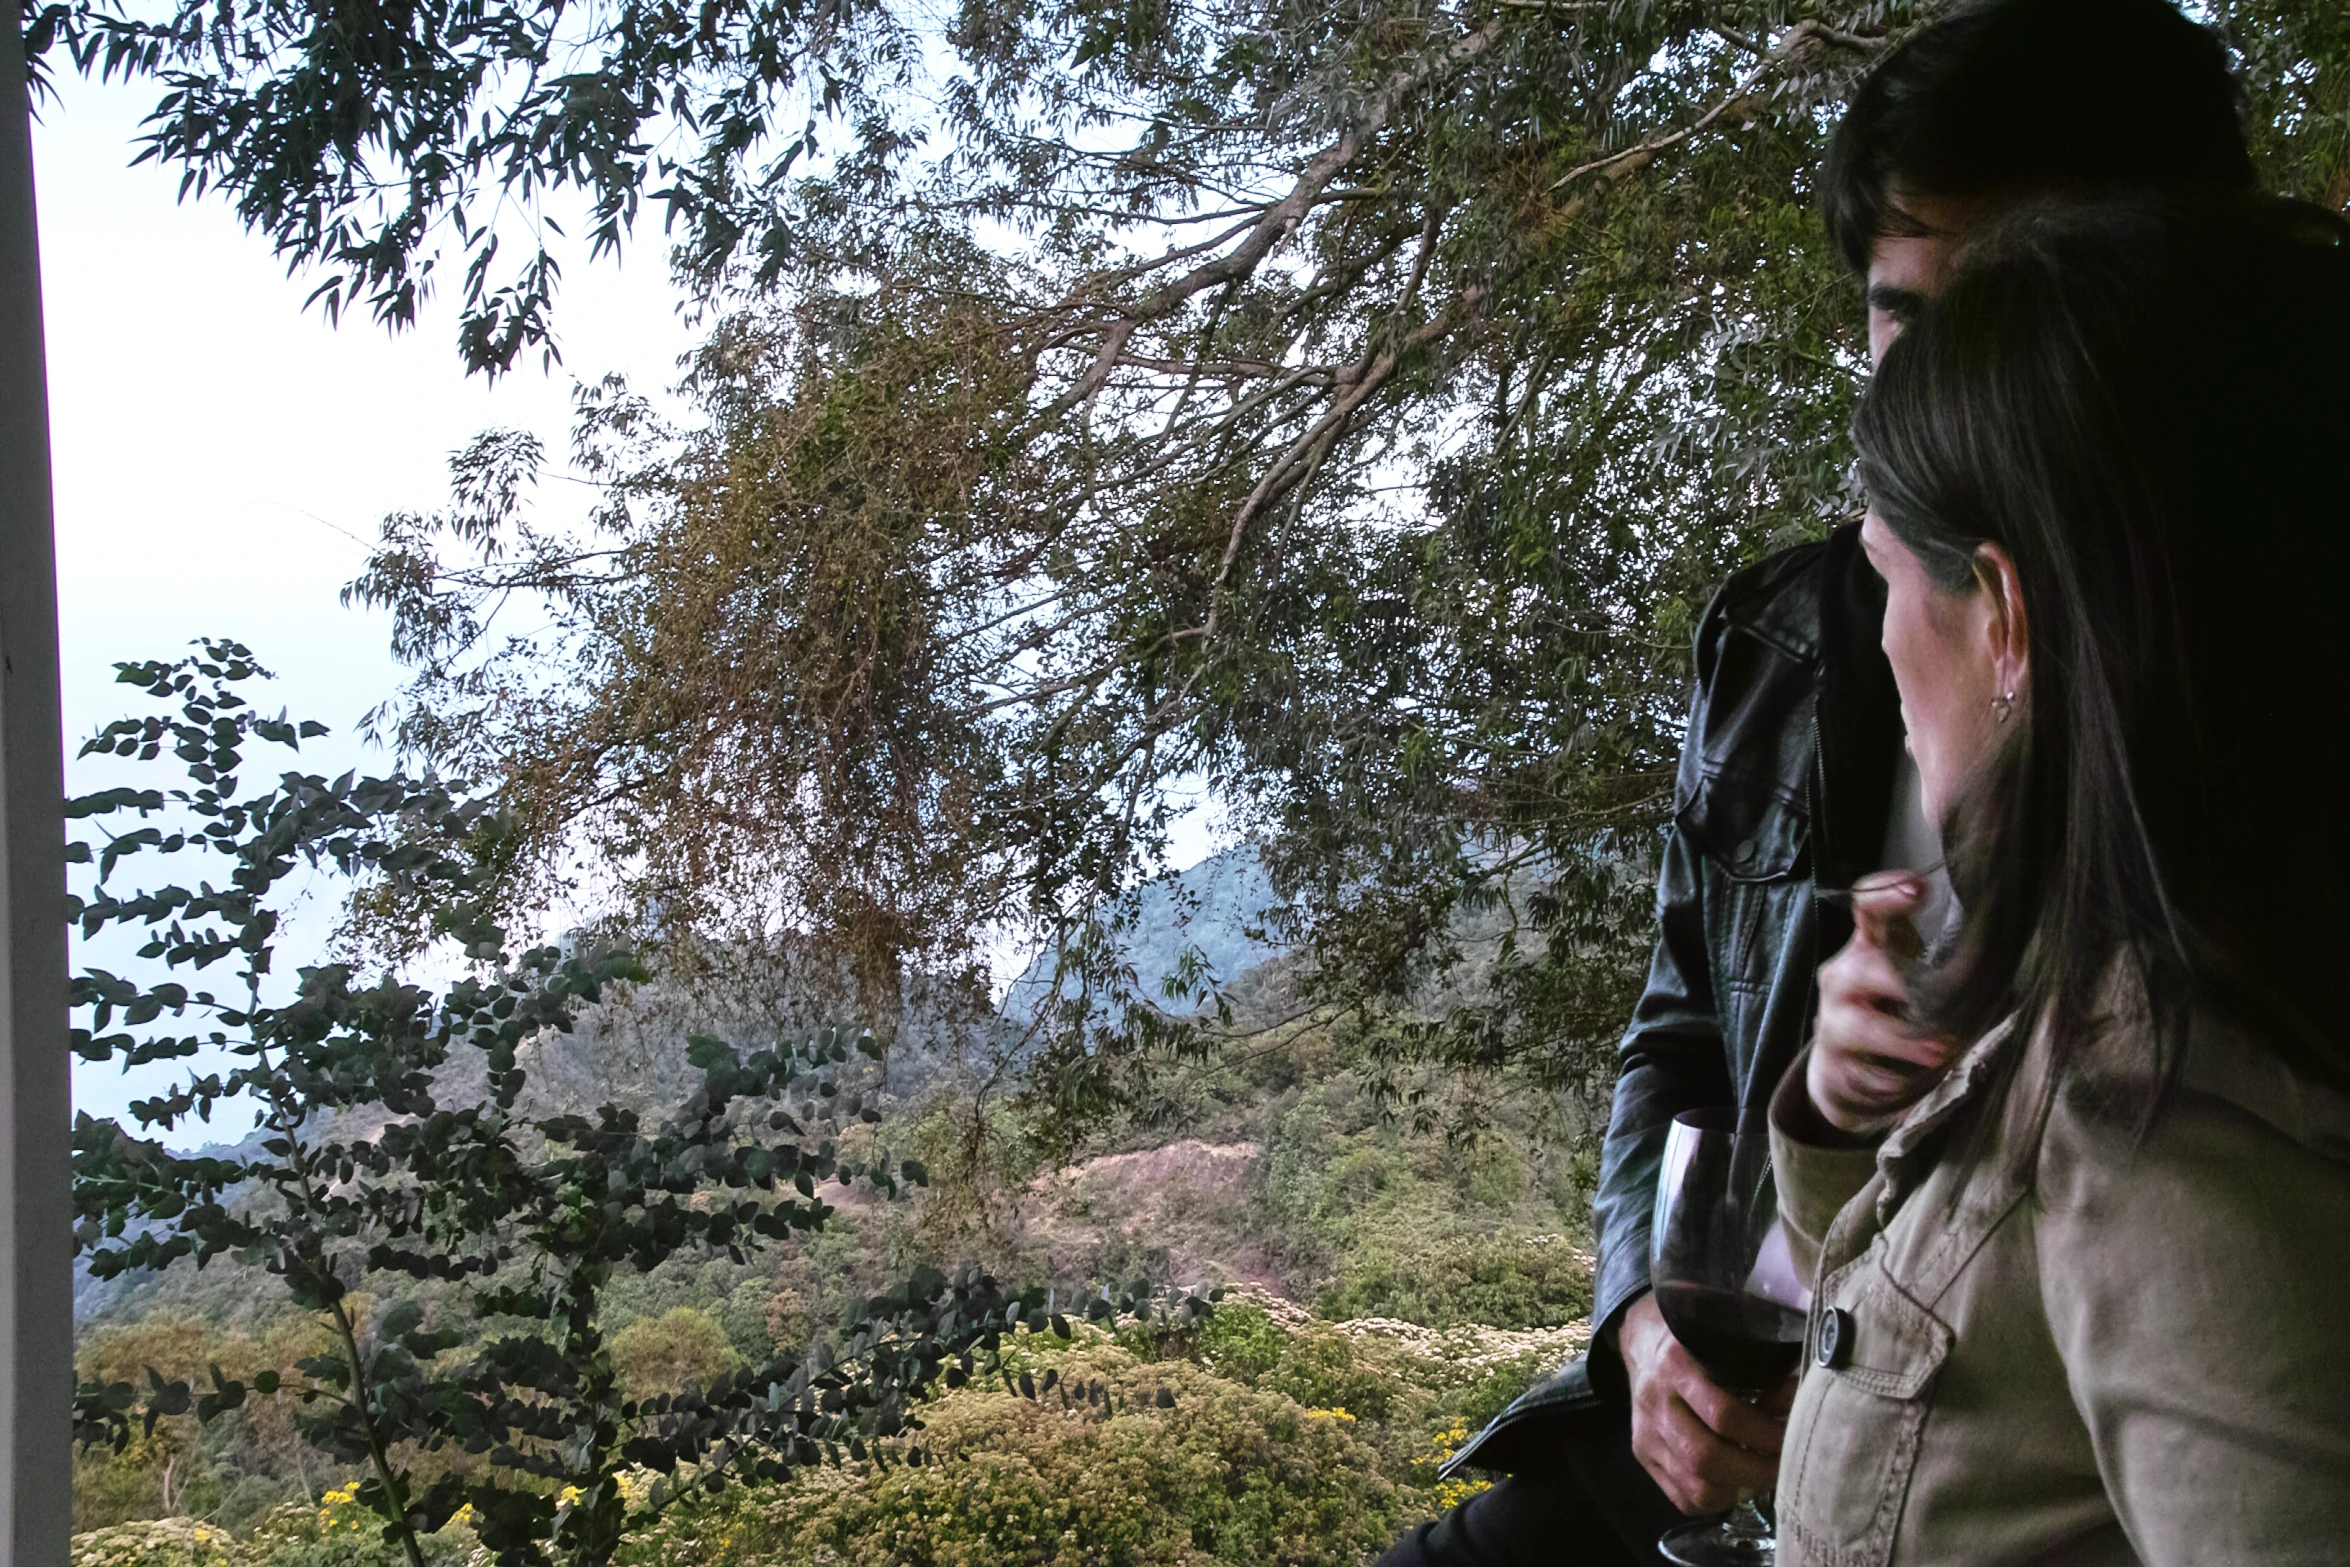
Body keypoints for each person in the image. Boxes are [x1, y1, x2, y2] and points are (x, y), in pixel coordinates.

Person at [1379, 2, 2254, 1561]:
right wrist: (1640, 1319)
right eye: (1906, 316)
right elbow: (1677, 1038)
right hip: (1739, 1428)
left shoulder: (2270, 687)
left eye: (2008, 308)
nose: (1938, 385)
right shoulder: (1786, 637)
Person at [1769, 190, 2350, 1564]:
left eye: (1887, 578)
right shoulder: (2115, 989)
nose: (1883, 642)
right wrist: (1855, 1115)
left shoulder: (2167, 1121)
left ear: (2007, 617)